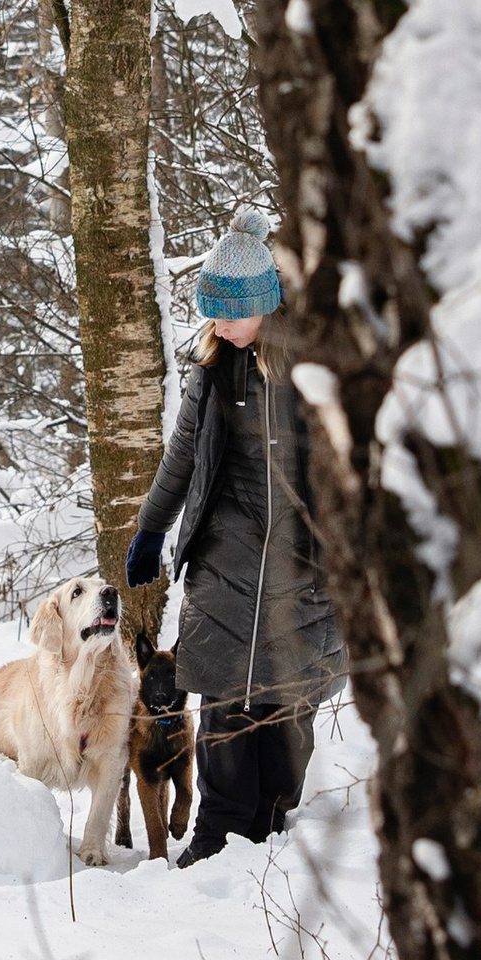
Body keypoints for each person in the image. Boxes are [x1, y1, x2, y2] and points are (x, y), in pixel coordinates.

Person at [124, 207, 344, 868]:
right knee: (224, 690)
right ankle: (219, 829)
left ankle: (272, 816)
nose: (217, 324)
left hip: (304, 558)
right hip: (224, 553)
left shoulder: (310, 370)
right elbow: (181, 459)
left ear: (264, 306)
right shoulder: (211, 368)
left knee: (288, 692)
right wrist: (149, 530)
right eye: (211, 312)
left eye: (228, 312)